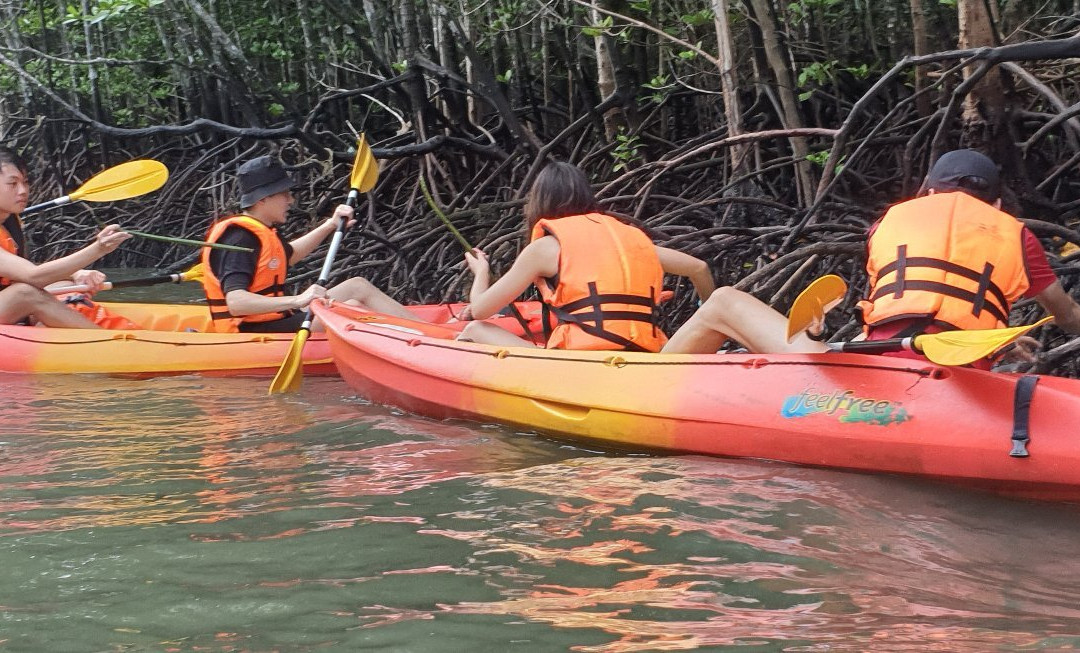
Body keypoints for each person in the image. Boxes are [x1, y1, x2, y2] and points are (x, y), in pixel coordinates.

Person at [662, 149, 1080, 366]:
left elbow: (899, 315)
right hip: (964, 363)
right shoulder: (1018, 236)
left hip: (886, 367)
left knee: (722, 302)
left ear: (928, 191)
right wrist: (998, 340)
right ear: (999, 202)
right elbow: (1066, 317)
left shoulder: (891, 221)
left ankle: (630, 384)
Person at [457, 161, 715, 350]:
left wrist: (481, 272)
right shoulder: (632, 239)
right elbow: (699, 268)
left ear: (539, 202)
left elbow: (479, 310)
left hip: (581, 361)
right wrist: (701, 309)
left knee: (475, 329)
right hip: (644, 350)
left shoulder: (545, 248)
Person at [200, 155, 414, 333]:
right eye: (284, 194)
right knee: (352, 308)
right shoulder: (239, 238)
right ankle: (425, 342)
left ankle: (431, 332)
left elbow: (289, 255)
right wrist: (298, 300)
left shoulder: (262, 230)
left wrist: (330, 225)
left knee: (357, 286)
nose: (290, 200)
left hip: (275, 320)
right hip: (250, 330)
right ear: (262, 200)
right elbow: (236, 303)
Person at [0, 147, 132, 328]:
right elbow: (32, 276)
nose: (23, 191)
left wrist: (76, 273)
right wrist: (98, 248)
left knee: (64, 283)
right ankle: (107, 342)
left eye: (25, 182)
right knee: (25, 293)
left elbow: (18, 272)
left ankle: (51, 332)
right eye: (13, 184)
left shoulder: (9, 223)